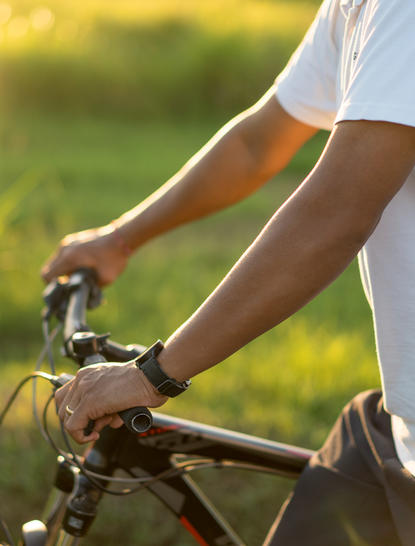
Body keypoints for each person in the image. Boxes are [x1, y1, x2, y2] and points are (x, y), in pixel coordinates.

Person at [42, 0, 415, 543]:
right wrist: (120, 240)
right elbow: (258, 141)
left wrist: (151, 375)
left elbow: (337, 212)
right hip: (393, 424)